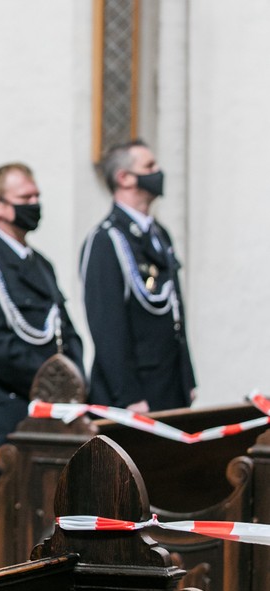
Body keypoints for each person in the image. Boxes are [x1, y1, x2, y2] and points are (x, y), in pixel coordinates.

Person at [0, 163, 84, 452]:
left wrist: (74, 379)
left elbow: (67, 332)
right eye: (25, 199)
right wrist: (53, 382)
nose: (35, 204)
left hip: (61, 410)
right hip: (13, 410)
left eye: (36, 197)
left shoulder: (41, 264)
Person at [80, 138, 196, 412]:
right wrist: (129, 395)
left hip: (170, 385)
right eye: (149, 166)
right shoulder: (105, 240)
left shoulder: (159, 234)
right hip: (135, 394)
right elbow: (107, 325)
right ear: (125, 178)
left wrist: (187, 379)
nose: (158, 172)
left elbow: (175, 311)